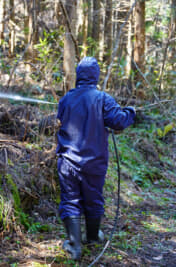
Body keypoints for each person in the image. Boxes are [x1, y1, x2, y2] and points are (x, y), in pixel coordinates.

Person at [56, 57, 136, 260]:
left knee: (70, 199)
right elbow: (118, 121)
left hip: (67, 161)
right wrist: (130, 112)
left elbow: (60, 118)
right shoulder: (103, 98)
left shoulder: (67, 98)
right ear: (96, 76)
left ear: (79, 75)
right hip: (94, 162)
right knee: (94, 198)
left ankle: (75, 246)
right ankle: (92, 237)